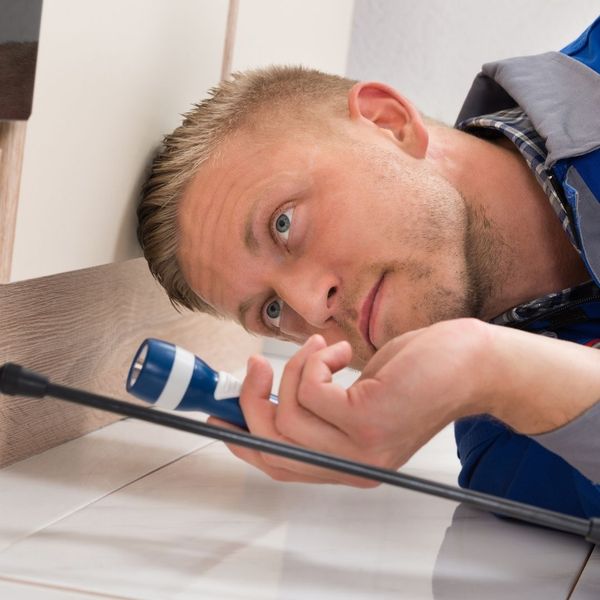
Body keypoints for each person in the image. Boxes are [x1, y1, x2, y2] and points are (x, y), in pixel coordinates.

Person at [137, 17, 600, 517]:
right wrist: (494, 369)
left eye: (285, 224)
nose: (311, 308)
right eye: (272, 311)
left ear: (388, 122)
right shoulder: (510, 459)